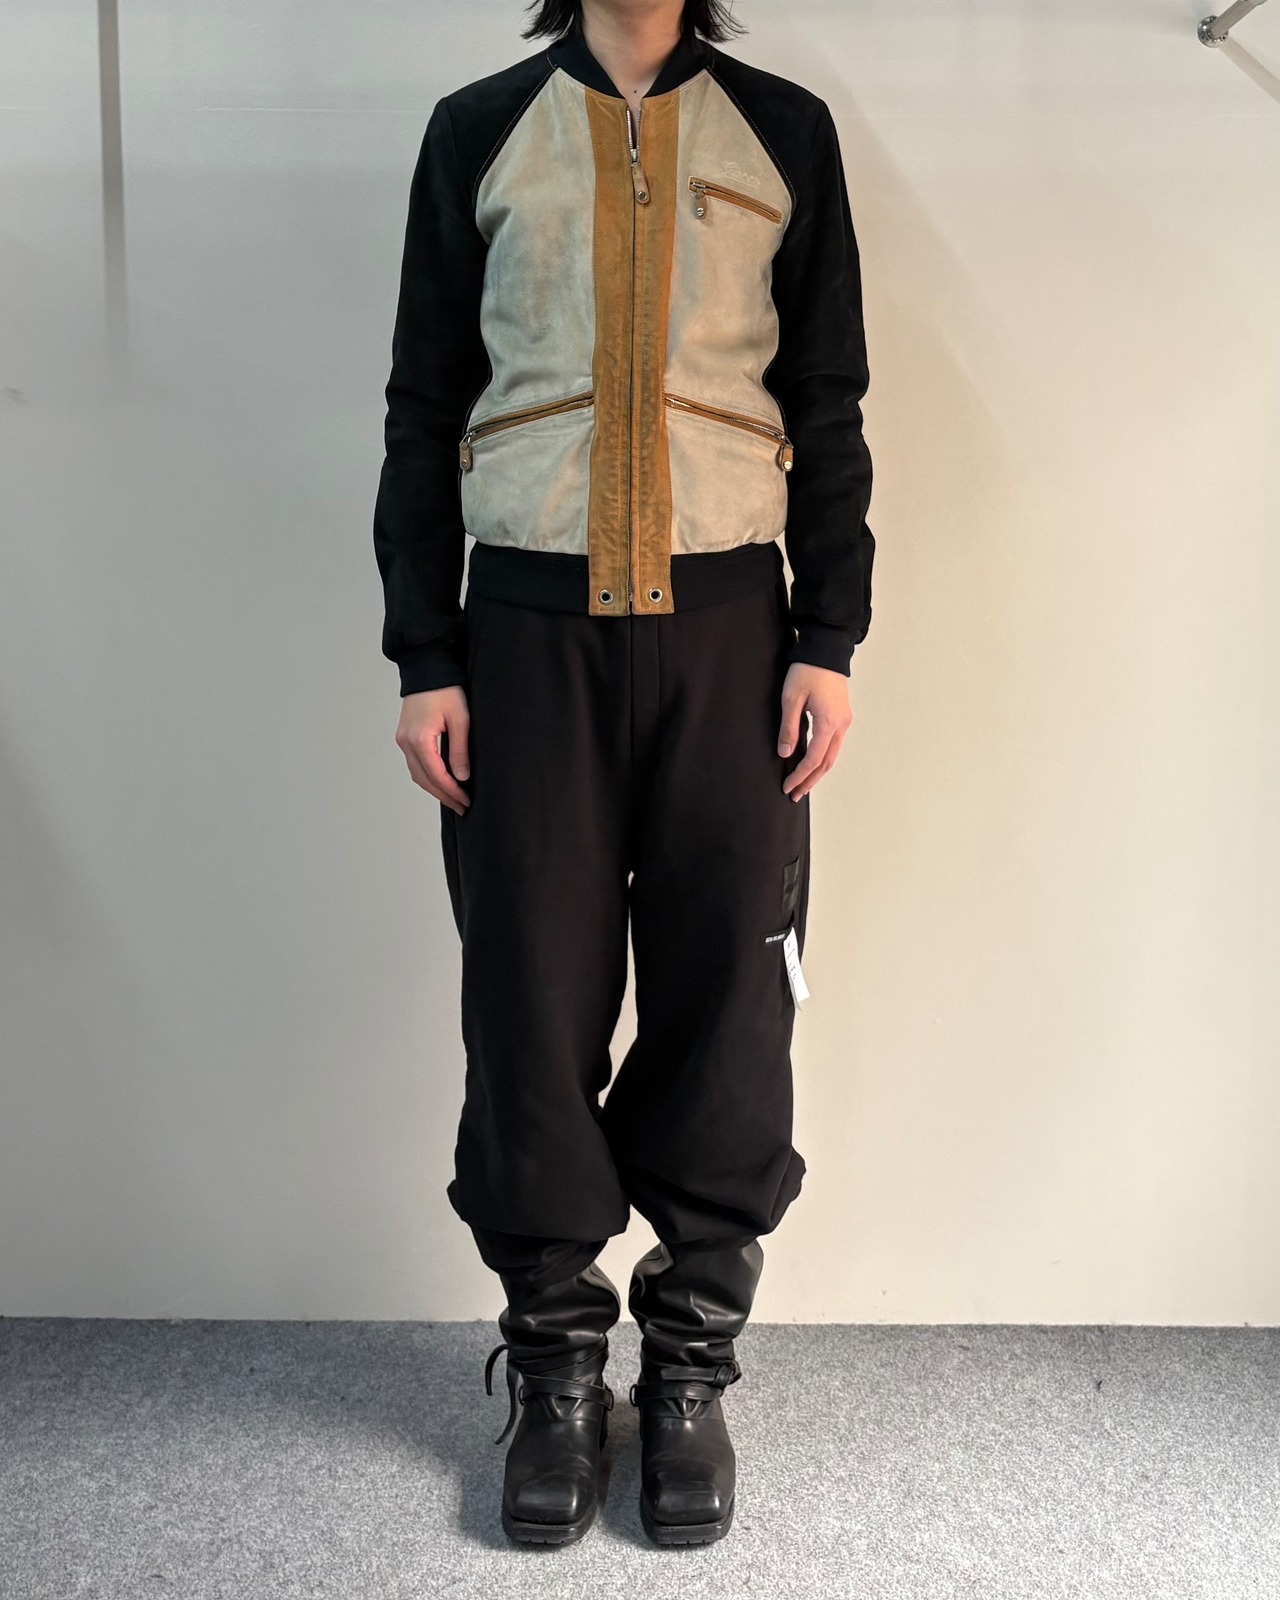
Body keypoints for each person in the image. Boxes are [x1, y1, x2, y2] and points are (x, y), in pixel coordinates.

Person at [372, 0, 873, 1549]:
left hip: (733, 632)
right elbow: (422, 404)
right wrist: (427, 653)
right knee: (529, 999)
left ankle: (691, 1362)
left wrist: (829, 636)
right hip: (525, 638)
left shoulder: (783, 133)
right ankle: (555, 1362)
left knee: (732, 997)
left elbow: (828, 399)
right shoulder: (479, 132)